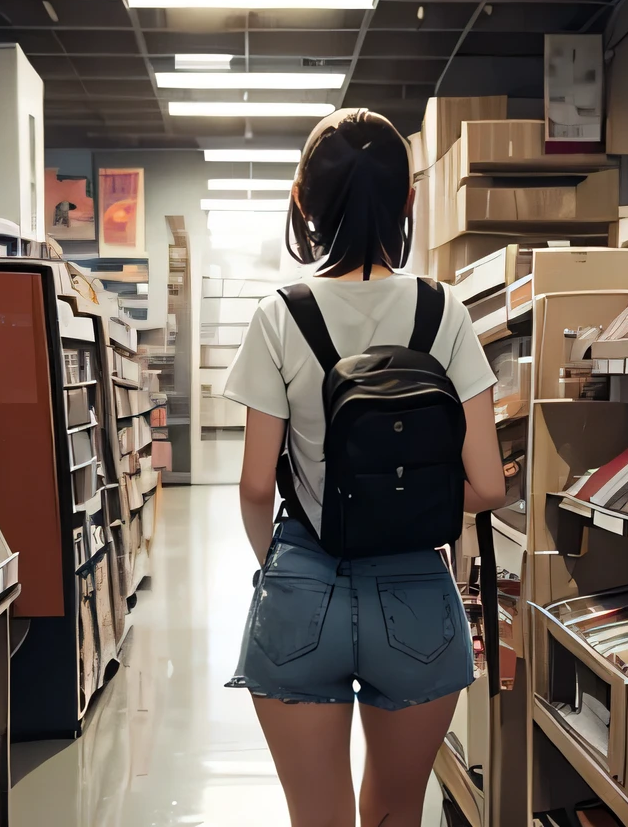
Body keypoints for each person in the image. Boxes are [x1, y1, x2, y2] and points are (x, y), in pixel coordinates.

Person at [223, 108, 507, 827]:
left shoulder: (280, 315)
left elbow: (258, 485)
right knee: (395, 813)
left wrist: (280, 566)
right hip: (415, 592)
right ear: (408, 200)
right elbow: (490, 486)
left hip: (303, 583)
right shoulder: (444, 312)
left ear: (302, 199)